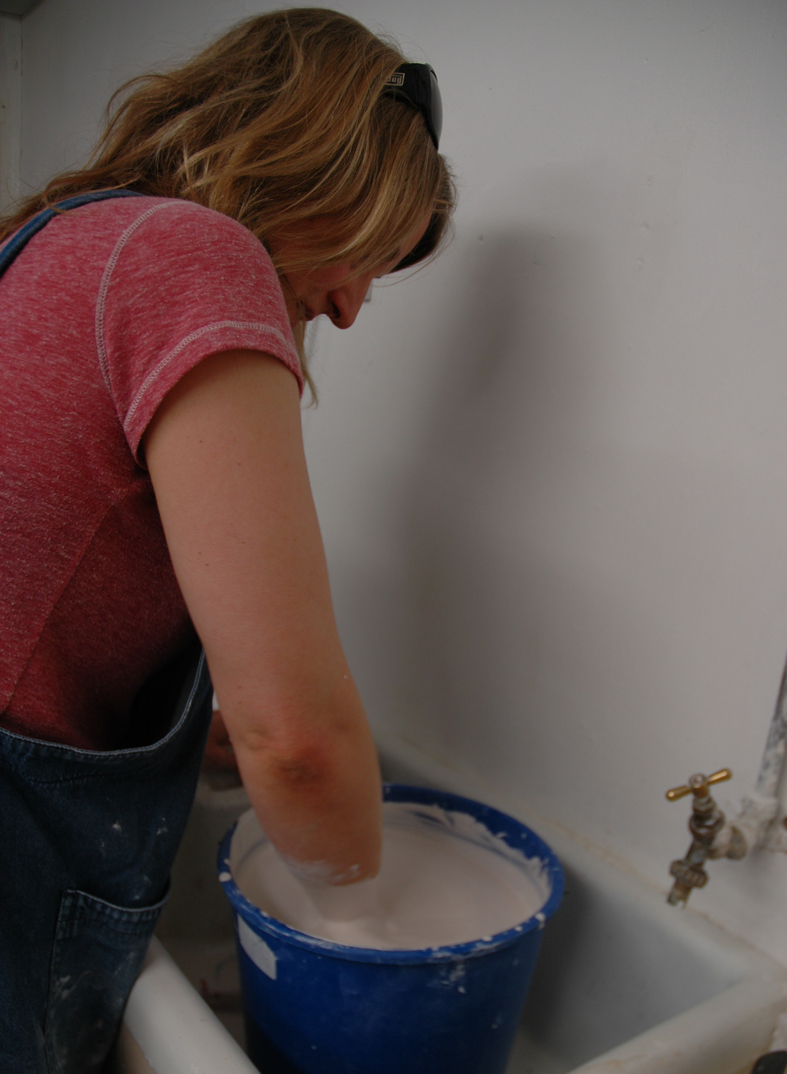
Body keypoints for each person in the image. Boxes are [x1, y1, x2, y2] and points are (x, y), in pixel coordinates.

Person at [0, 9, 454, 1071]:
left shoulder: (54, 241)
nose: (351, 306)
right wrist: (357, 928)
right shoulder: (192, 253)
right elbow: (296, 741)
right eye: (368, 249)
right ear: (309, 158)